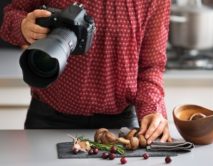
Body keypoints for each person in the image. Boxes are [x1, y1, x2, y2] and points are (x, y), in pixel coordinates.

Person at [0, 0, 171, 144]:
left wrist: (152, 109)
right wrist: (22, 26)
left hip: (120, 126)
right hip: (49, 119)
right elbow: (12, 14)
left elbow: (151, 66)